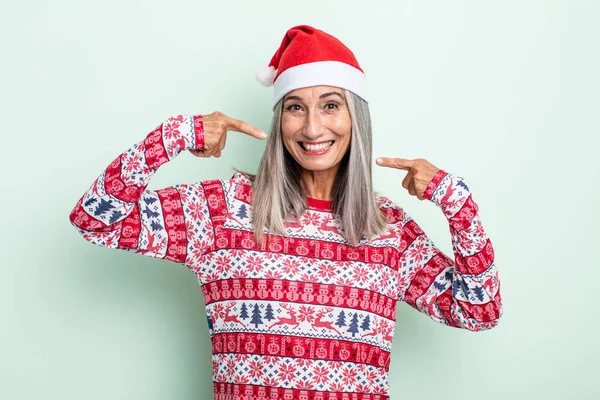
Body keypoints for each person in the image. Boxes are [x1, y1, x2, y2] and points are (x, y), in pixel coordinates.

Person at [69, 25, 502, 400]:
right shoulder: (222, 211)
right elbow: (94, 219)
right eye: (296, 107)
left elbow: (478, 311)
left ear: (356, 119)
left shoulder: (389, 231)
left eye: (331, 105)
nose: (313, 128)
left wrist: (455, 202)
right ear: (281, 120)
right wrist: (177, 135)